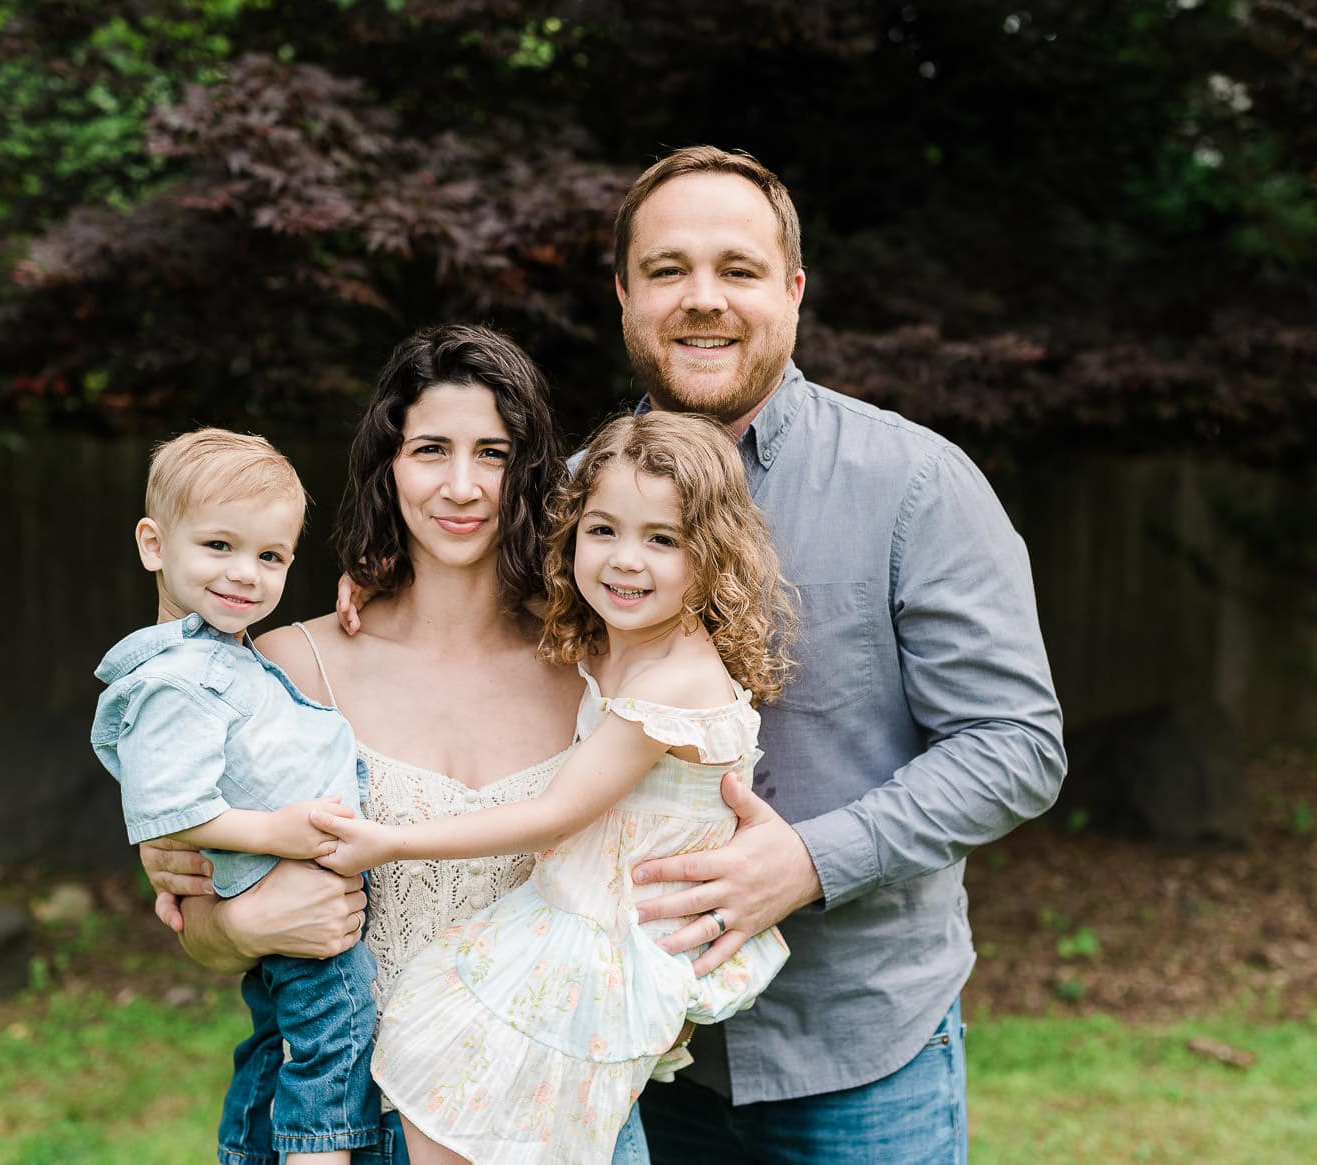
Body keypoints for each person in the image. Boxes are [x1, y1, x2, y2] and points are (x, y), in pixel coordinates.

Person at [597, 146, 1068, 1163]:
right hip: (620, 1054)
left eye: (739, 269)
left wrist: (810, 862)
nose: (703, 299)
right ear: (626, 293)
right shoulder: (570, 503)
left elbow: (1016, 744)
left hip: (861, 1061)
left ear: (794, 293)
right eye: (669, 269)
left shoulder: (916, 486)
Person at [138, 326, 653, 1164]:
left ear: (530, 470)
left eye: (492, 452)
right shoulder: (287, 667)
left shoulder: (601, 673)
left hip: (559, 1119)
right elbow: (196, 912)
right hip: (338, 1124)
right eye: (429, 449)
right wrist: (244, 924)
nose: (461, 485)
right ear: (387, 463)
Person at [311, 411, 795, 1165]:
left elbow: (551, 815)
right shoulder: (622, 637)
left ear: (713, 552)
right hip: (576, 917)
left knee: (443, 1057)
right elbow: (494, 549)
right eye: (603, 530)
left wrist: (391, 840)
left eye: (662, 539)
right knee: (440, 1069)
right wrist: (386, 571)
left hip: (593, 942)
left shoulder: (672, 682)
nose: (625, 560)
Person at [90, 428, 379, 1165]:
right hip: (285, 884)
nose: (246, 574)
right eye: (219, 546)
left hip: (293, 880)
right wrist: (281, 834)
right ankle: (320, 1151)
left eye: (271, 555)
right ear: (154, 544)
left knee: (282, 1032)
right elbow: (176, 810)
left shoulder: (223, 654)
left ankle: (255, 1145)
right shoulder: (175, 681)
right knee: (333, 1026)